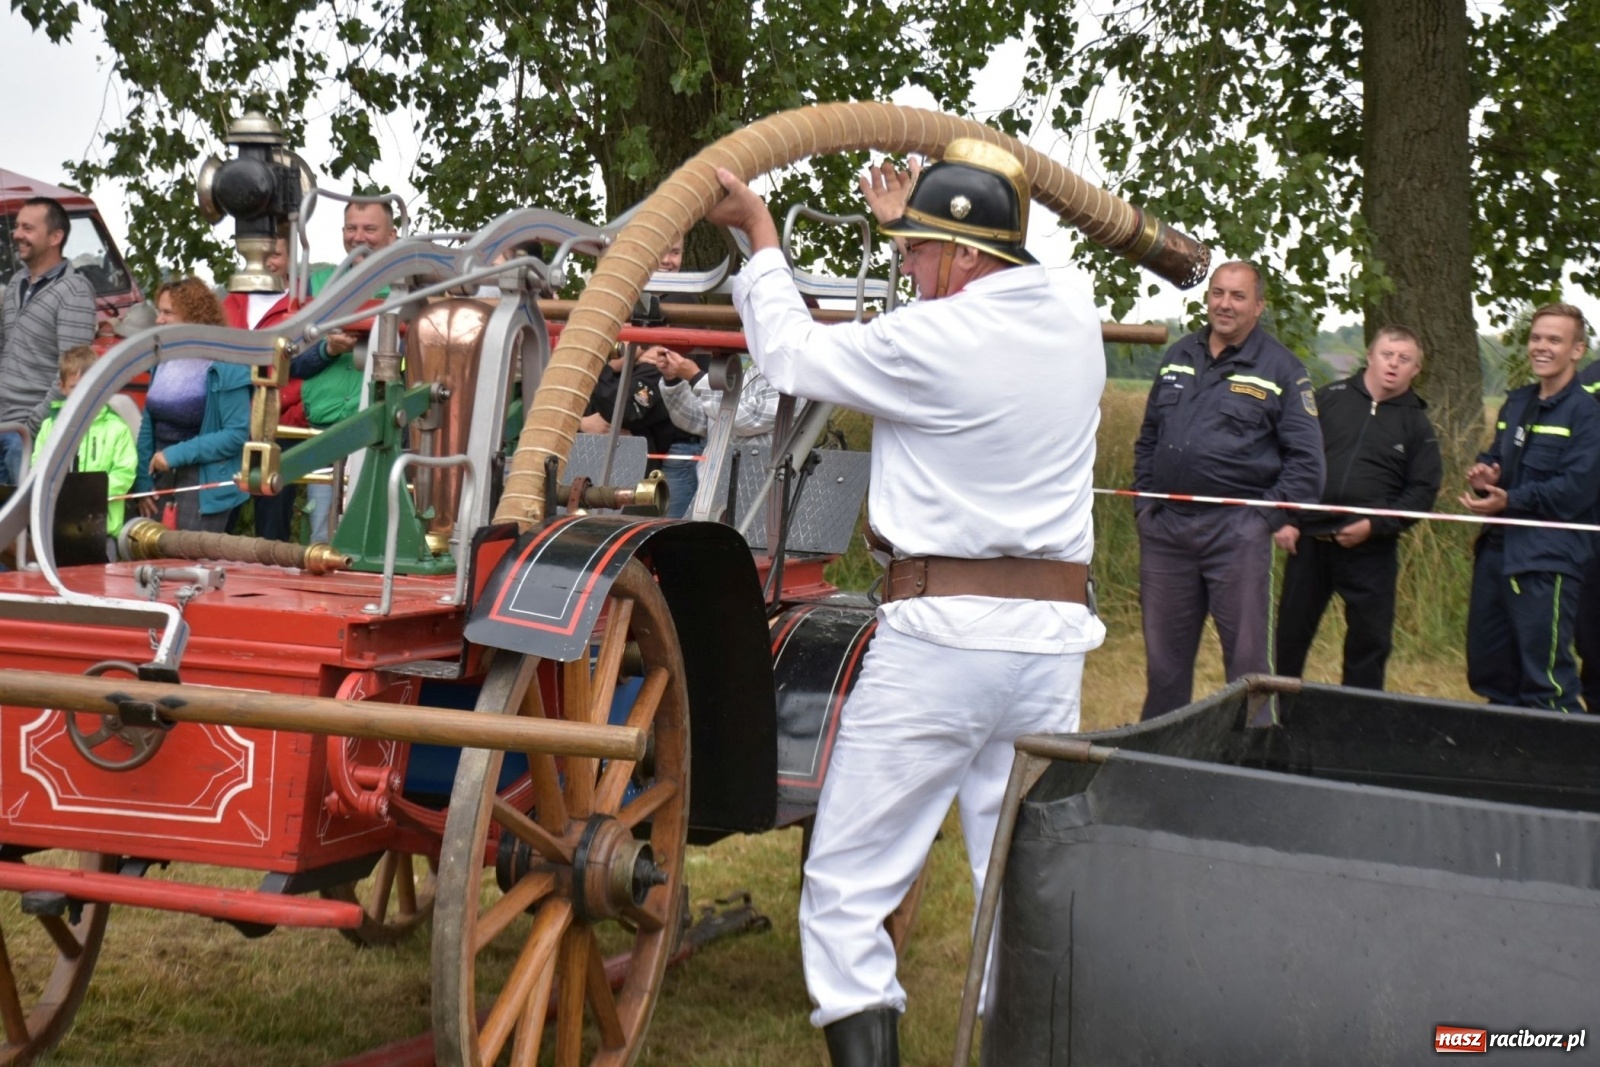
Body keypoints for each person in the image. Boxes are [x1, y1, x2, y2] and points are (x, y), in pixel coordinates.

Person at [705, 140, 1105, 1066]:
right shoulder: (1073, 316)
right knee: (1021, 877)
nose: (907, 268)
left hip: (939, 645)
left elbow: (792, 355)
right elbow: (978, 303)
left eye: (917, 252)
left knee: (848, 885)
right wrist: (920, 221)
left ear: (965, 255)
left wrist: (761, 237)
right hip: (1049, 646)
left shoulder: (931, 341)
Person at [1132, 260, 1325, 720]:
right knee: (1164, 668)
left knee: (1247, 668)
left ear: (1258, 306)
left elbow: (1309, 466)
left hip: (1235, 535)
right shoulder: (1179, 355)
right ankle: (1156, 755)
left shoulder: (1282, 369)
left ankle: (1252, 753)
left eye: (1238, 296)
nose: (1225, 304)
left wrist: (1259, 521)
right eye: (1217, 293)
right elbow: (1149, 439)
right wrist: (1145, 505)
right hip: (1167, 533)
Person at [1273, 326, 1442, 689]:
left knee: (1369, 645)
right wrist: (1286, 518)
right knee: (1288, 639)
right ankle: (1276, 713)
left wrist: (1375, 526)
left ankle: (1358, 718)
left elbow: (1422, 492)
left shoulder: (1417, 425)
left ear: (1416, 369)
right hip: (1309, 542)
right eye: (1387, 355)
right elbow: (1290, 458)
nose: (1393, 364)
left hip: (1371, 551)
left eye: (1404, 359)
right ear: (1370, 356)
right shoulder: (1328, 400)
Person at [1462, 303, 1600, 713]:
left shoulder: (1588, 414)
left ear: (1577, 350)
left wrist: (1512, 499)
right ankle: (1504, 748)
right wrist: (1486, 474)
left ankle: (1567, 752)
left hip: (1547, 559)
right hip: (1496, 551)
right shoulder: (1517, 403)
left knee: (1546, 682)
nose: (1541, 347)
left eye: (1554, 340)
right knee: (1491, 671)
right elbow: (1497, 457)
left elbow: (1577, 490)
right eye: (1536, 337)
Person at [299, 201, 399, 542]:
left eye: (369, 229)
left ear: (392, 234)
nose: (359, 237)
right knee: (321, 536)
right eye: (352, 228)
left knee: (376, 535)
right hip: (324, 430)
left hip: (381, 433)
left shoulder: (410, 287)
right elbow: (294, 362)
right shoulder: (315, 285)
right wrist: (328, 349)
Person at [132, 278, 250, 533]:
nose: (159, 320)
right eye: (159, 312)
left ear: (194, 316)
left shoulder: (227, 364)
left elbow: (236, 434)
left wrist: (175, 455)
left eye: (167, 313)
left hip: (204, 482)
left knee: (187, 556)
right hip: (159, 476)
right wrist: (142, 482)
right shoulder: (163, 359)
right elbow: (149, 424)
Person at [0, 197, 97, 483]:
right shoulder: (16, 283)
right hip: (4, 426)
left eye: (28, 228)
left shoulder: (74, 291)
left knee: (25, 512)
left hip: (27, 435)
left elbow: (72, 374)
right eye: (17, 226)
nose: (17, 234)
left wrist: (31, 428)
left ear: (55, 237)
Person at [221, 236, 302, 541]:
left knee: (271, 523)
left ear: (290, 258)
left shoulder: (302, 306)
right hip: (232, 426)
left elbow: (306, 366)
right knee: (222, 515)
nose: (267, 262)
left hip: (281, 426)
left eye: (275, 255)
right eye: (263, 254)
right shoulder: (231, 302)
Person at [639, 345, 779, 515]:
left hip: (760, 491)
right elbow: (697, 420)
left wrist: (695, 377)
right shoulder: (752, 368)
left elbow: (747, 419)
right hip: (712, 490)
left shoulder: (792, 378)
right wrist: (673, 379)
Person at [33, 345, 137, 537]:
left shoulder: (117, 428)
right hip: (59, 524)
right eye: (74, 387)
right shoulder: (49, 427)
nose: (81, 393)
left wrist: (88, 493)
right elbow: (39, 468)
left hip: (103, 528)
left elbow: (125, 474)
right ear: (62, 387)